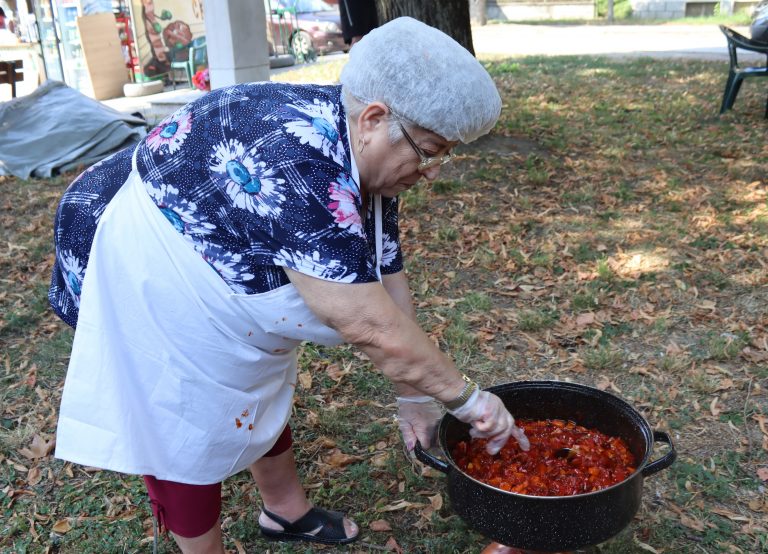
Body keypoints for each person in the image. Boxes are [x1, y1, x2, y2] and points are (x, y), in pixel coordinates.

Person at [48, 16, 529, 553]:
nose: (433, 171)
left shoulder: (359, 142)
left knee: (254, 380)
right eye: (432, 150)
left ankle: (284, 512)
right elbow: (367, 322)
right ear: (375, 116)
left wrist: (413, 398)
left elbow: (386, 277)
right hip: (139, 248)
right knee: (180, 424)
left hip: (216, 249)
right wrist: (470, 402)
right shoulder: (295, 160)